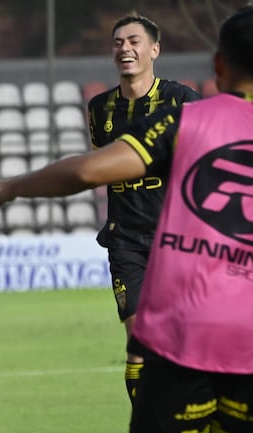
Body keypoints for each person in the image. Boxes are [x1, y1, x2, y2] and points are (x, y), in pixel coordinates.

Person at [0, 6, 253, 433]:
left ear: (218, 64)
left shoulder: (190, 116)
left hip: (192, 319)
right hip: (211, 298)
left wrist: (12, 187)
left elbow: (85, 172)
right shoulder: (114, 107)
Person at [87, 13, 202, 408]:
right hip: (126, 242)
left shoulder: (182, 99)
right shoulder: (99, 109)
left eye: (134, 41)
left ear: (154, 49)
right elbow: (100, 164)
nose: (125, 49)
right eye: (118, 42)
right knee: (139, 345)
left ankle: (193, 414)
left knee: (184, 340)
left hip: (179, 240)